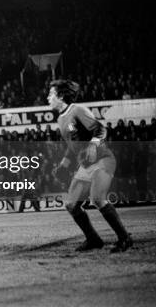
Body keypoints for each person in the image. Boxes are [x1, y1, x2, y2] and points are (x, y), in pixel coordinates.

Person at [48, 80, 133, 252]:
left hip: (102, 158)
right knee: (71, 205)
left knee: (97, 198)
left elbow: (101, 130)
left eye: (51, 94)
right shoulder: (61, 119)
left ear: (61, 96)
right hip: (86, 165)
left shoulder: (77, 110)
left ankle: (125, 238)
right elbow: (72, 148)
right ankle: (93, 239)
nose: (47, 97)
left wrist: (93, 146)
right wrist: (64, 165)